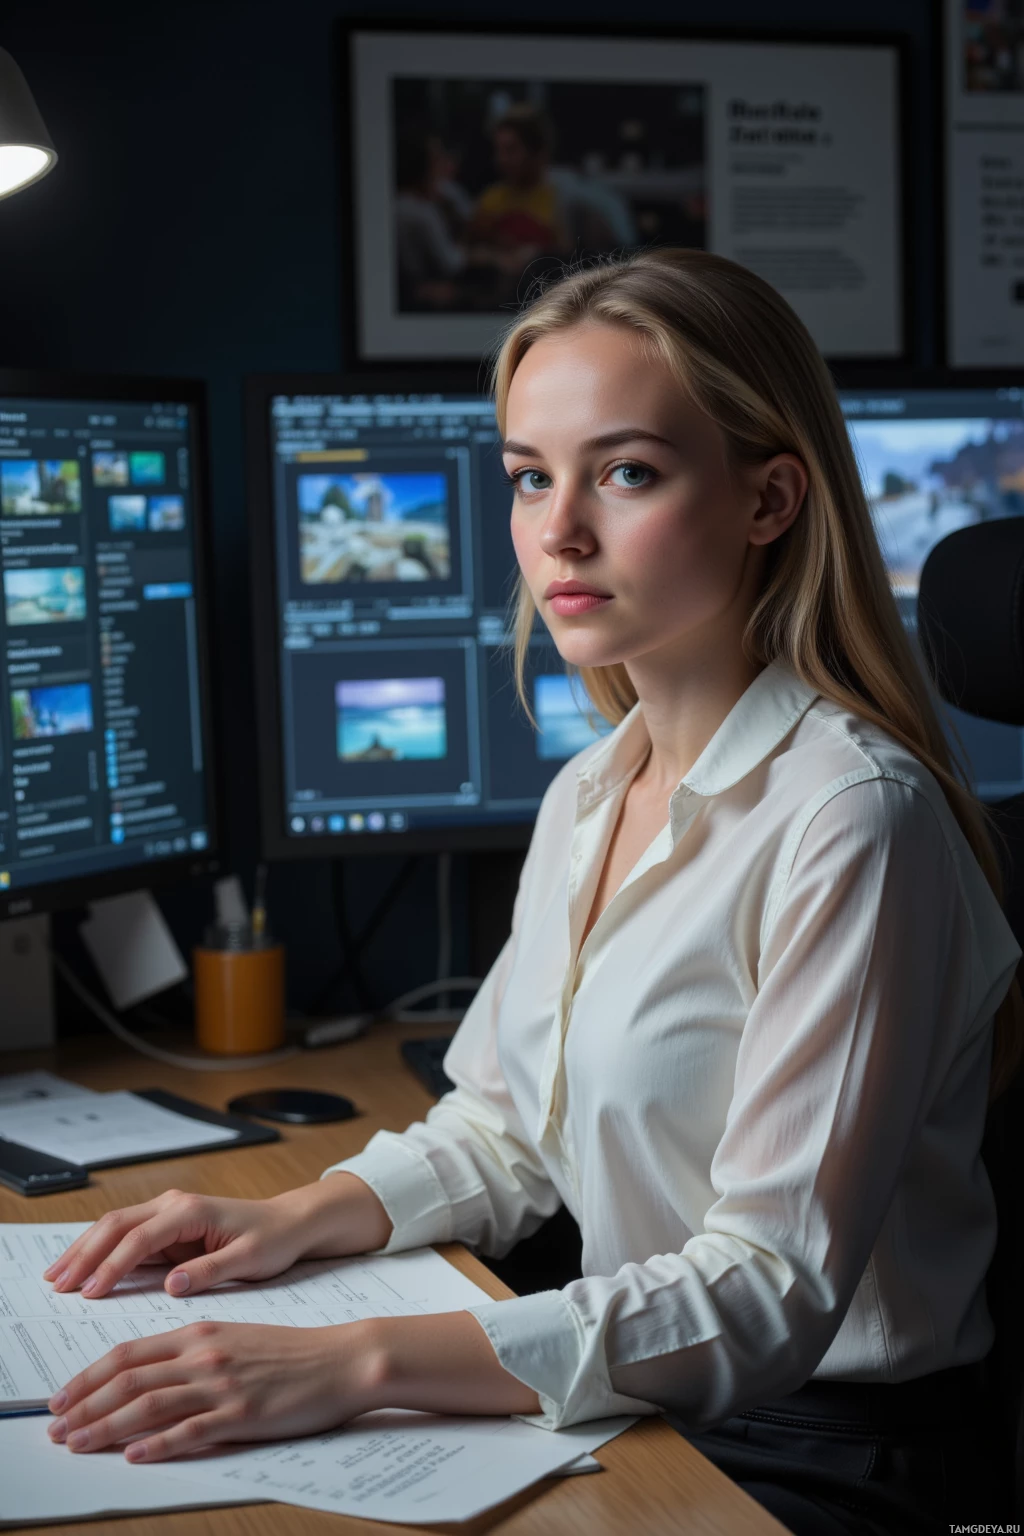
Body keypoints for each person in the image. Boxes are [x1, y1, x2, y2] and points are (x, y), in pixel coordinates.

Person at [39, 248, 1023, 1534]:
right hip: (643, 1390)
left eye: (625, 472)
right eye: (526, 477)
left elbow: (770, 1290)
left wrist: (355, 1364)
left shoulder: (853, 818)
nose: (555, 529)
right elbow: (504, 1128)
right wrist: (286, 1219)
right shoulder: (592, 790)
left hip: (828, 1450)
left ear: (769, 497)